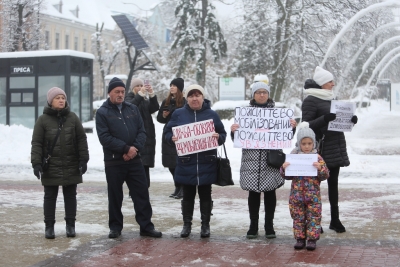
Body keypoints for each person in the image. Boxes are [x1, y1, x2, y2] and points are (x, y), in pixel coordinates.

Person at [96, 77, 162, 239]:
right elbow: (105, 137)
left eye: (122, 92)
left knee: (141, 194)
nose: (120, 94)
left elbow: (142, 131)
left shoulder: (132, 109)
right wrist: (126, 149)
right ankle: (115, 227)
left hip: (135, 161)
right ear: (109, 93)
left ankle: (146, 226)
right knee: (115, 196)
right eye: (117, 92)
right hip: (114, 161)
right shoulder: (102, 112)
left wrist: (135, 149)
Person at [230, 82, 297, 239]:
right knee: (253, 194)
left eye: (264, 92)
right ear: (253, 95)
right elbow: (238, 139)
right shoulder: (245, 114)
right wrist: (234, 131)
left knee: (270, 193)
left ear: (268, 94)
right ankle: (253, 226)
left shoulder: (278, 114)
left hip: (270, 160)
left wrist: (291, 128)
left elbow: (286, 136)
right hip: (251, 161)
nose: (261, 95)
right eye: (258, 92)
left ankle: (269, 226)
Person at [164, 84, 227, 238]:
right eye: (191, 96)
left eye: (197, 95)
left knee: (206, 195)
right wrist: (171, 139)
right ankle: (187, 225)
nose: (194, 98)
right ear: (187, 98)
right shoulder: (178, 114)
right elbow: (167, 132)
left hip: (207, 161)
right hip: (186, 162)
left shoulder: (212, 114)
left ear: (202, 97)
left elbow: (222, 134)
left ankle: (205, 225)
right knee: (188, 196)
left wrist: (218, 137)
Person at [301, 66, 358, 233]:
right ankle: (314, 221)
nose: (333, 84)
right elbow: (306, 125)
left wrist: (351, 120)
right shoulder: (310, 100)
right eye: (330, 81)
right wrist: (325, 118)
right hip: (319, 147)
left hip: (335, 145)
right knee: (314, 188)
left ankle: (335, 219)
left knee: (334, 185)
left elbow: (339, 121)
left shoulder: (332, 98)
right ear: (321, 83)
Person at [31, 87, 89, 239]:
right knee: (50, 196)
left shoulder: (73, 118)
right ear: (50, 101)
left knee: (70, 196)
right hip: (51, 166)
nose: (61, 100)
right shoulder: (42, 120)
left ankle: (70, 225)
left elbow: (82, 139)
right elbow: (36, 143)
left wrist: (84, 159)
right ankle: (49, 226)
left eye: (63, 97)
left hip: (71, 163)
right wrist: (36, 163)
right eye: (57, 98)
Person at [280, 122, 329, 250]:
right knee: (298, 217)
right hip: (296, 196)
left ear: (314, 144)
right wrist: (284, 168)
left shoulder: (317, 158)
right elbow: (287, 176)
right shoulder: (293, 157)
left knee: (314, 217)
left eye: (309, 143)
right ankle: (300, 238)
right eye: (303, 144)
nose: (306, 146)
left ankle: (312, 239)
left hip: (313, 196)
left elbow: (325, 175)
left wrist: (320, 169)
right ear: (299, 144)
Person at [125, 78, 160, 188]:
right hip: (136, 137)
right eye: (137, 86)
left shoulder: (144, 100)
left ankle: (145, 188)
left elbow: (154, 107)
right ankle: (135, 189)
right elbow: (131, 106)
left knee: (145, 165)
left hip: (147, 137)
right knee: (137, 165)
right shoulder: (129, 98)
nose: (140, 87)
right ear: (133, 88)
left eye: (141, 85)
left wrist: (152, 94)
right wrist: (140, 95)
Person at [157, 78, 186, 199]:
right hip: (168, 135)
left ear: (179, 88)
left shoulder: (184, 102)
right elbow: (159, 119)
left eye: (174, 85)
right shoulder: (166, 101)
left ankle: (182, 188)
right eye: (171, 85)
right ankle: (177, 186)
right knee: (170, 164)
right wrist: (164, 115)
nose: (172, 87)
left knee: (179, 163)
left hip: (180, 135)